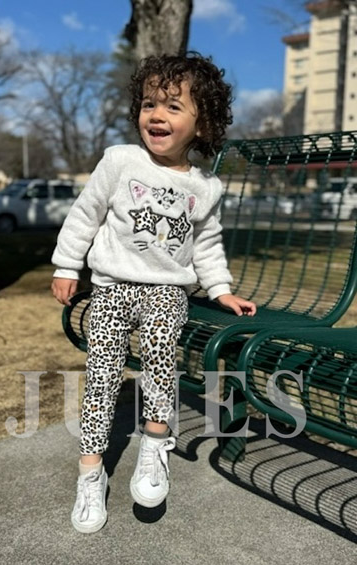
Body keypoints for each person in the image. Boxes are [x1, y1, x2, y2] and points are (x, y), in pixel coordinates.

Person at [51, 52, 257, 534]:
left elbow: (206, 244)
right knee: (102, 377)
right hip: (112, 289)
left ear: (202, 124)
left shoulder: (205, 187)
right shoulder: (121, 161)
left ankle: (154, 443)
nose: (157, 115)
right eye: (149, 104)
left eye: (173, 106)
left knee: (161, 355)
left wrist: (220, 289)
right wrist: (66, 265)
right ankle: (90, 472)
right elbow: (85, 214)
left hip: (166, 292)